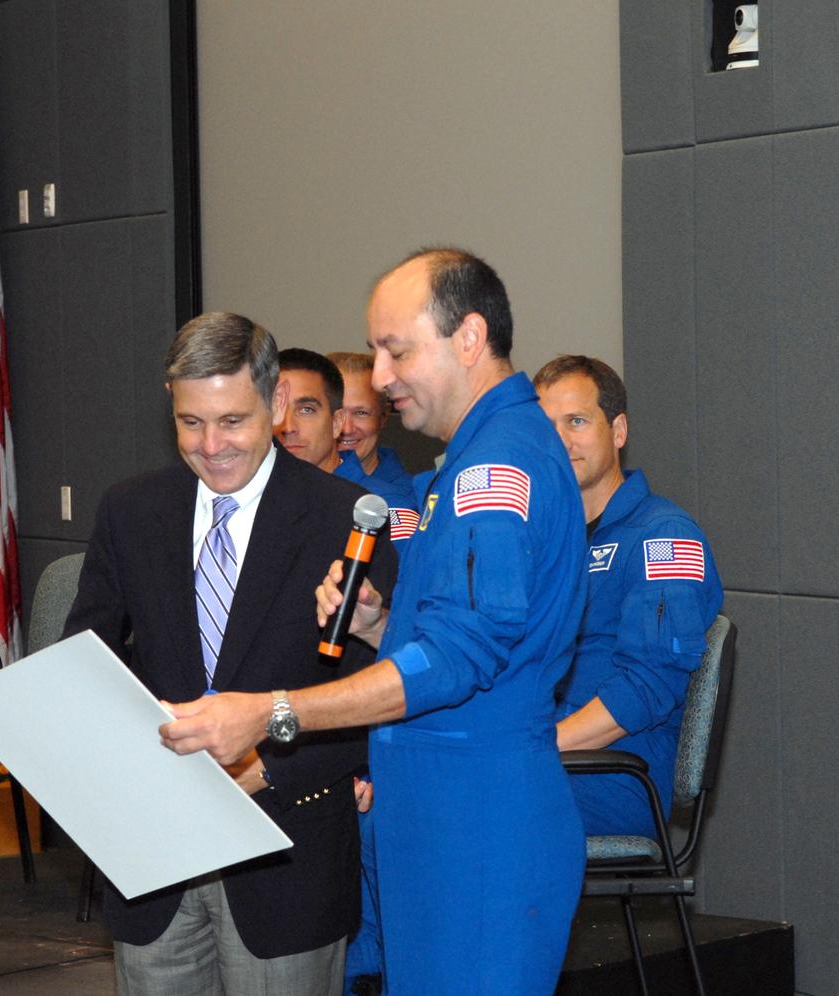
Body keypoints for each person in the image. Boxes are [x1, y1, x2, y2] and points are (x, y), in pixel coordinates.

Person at [160, 249, 589, 994]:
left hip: (478, 815)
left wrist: (273, 711)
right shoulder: (473, 458)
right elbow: (463, 639)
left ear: (468, 337)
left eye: (397, 349)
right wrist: (377, 622)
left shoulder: (496, 469)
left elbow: (459, 661)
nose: (381, 376)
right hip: (438, 807)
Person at [63, 313, 397, 994]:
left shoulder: (346, 517)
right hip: (153, 856)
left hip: (287, 855)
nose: (211, 445)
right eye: (191, 423)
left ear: (274, 406)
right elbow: (86, 658)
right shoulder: (131, 511)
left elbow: (373, 694)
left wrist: (265, 767)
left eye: (232, 421)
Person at [533, 355, 723, 835]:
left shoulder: (665, 537)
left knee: (446, 816)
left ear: (618, 431)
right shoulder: (537, 539)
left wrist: (531, 747)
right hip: (542, 754)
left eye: (576, 421)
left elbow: (646, 688)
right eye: (545, 424)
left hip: (616, 770)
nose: (558, 440)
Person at [325, 351, 416, 512]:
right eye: (335, 412)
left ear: (383, 416)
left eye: (361, 413)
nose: (346, 428)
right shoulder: (290, 483)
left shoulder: (403, 501)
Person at [275, 347, 346, 474]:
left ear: (336, 423)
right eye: (275, 409)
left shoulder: (370, 494)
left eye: (306, 410)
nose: (288, 428)